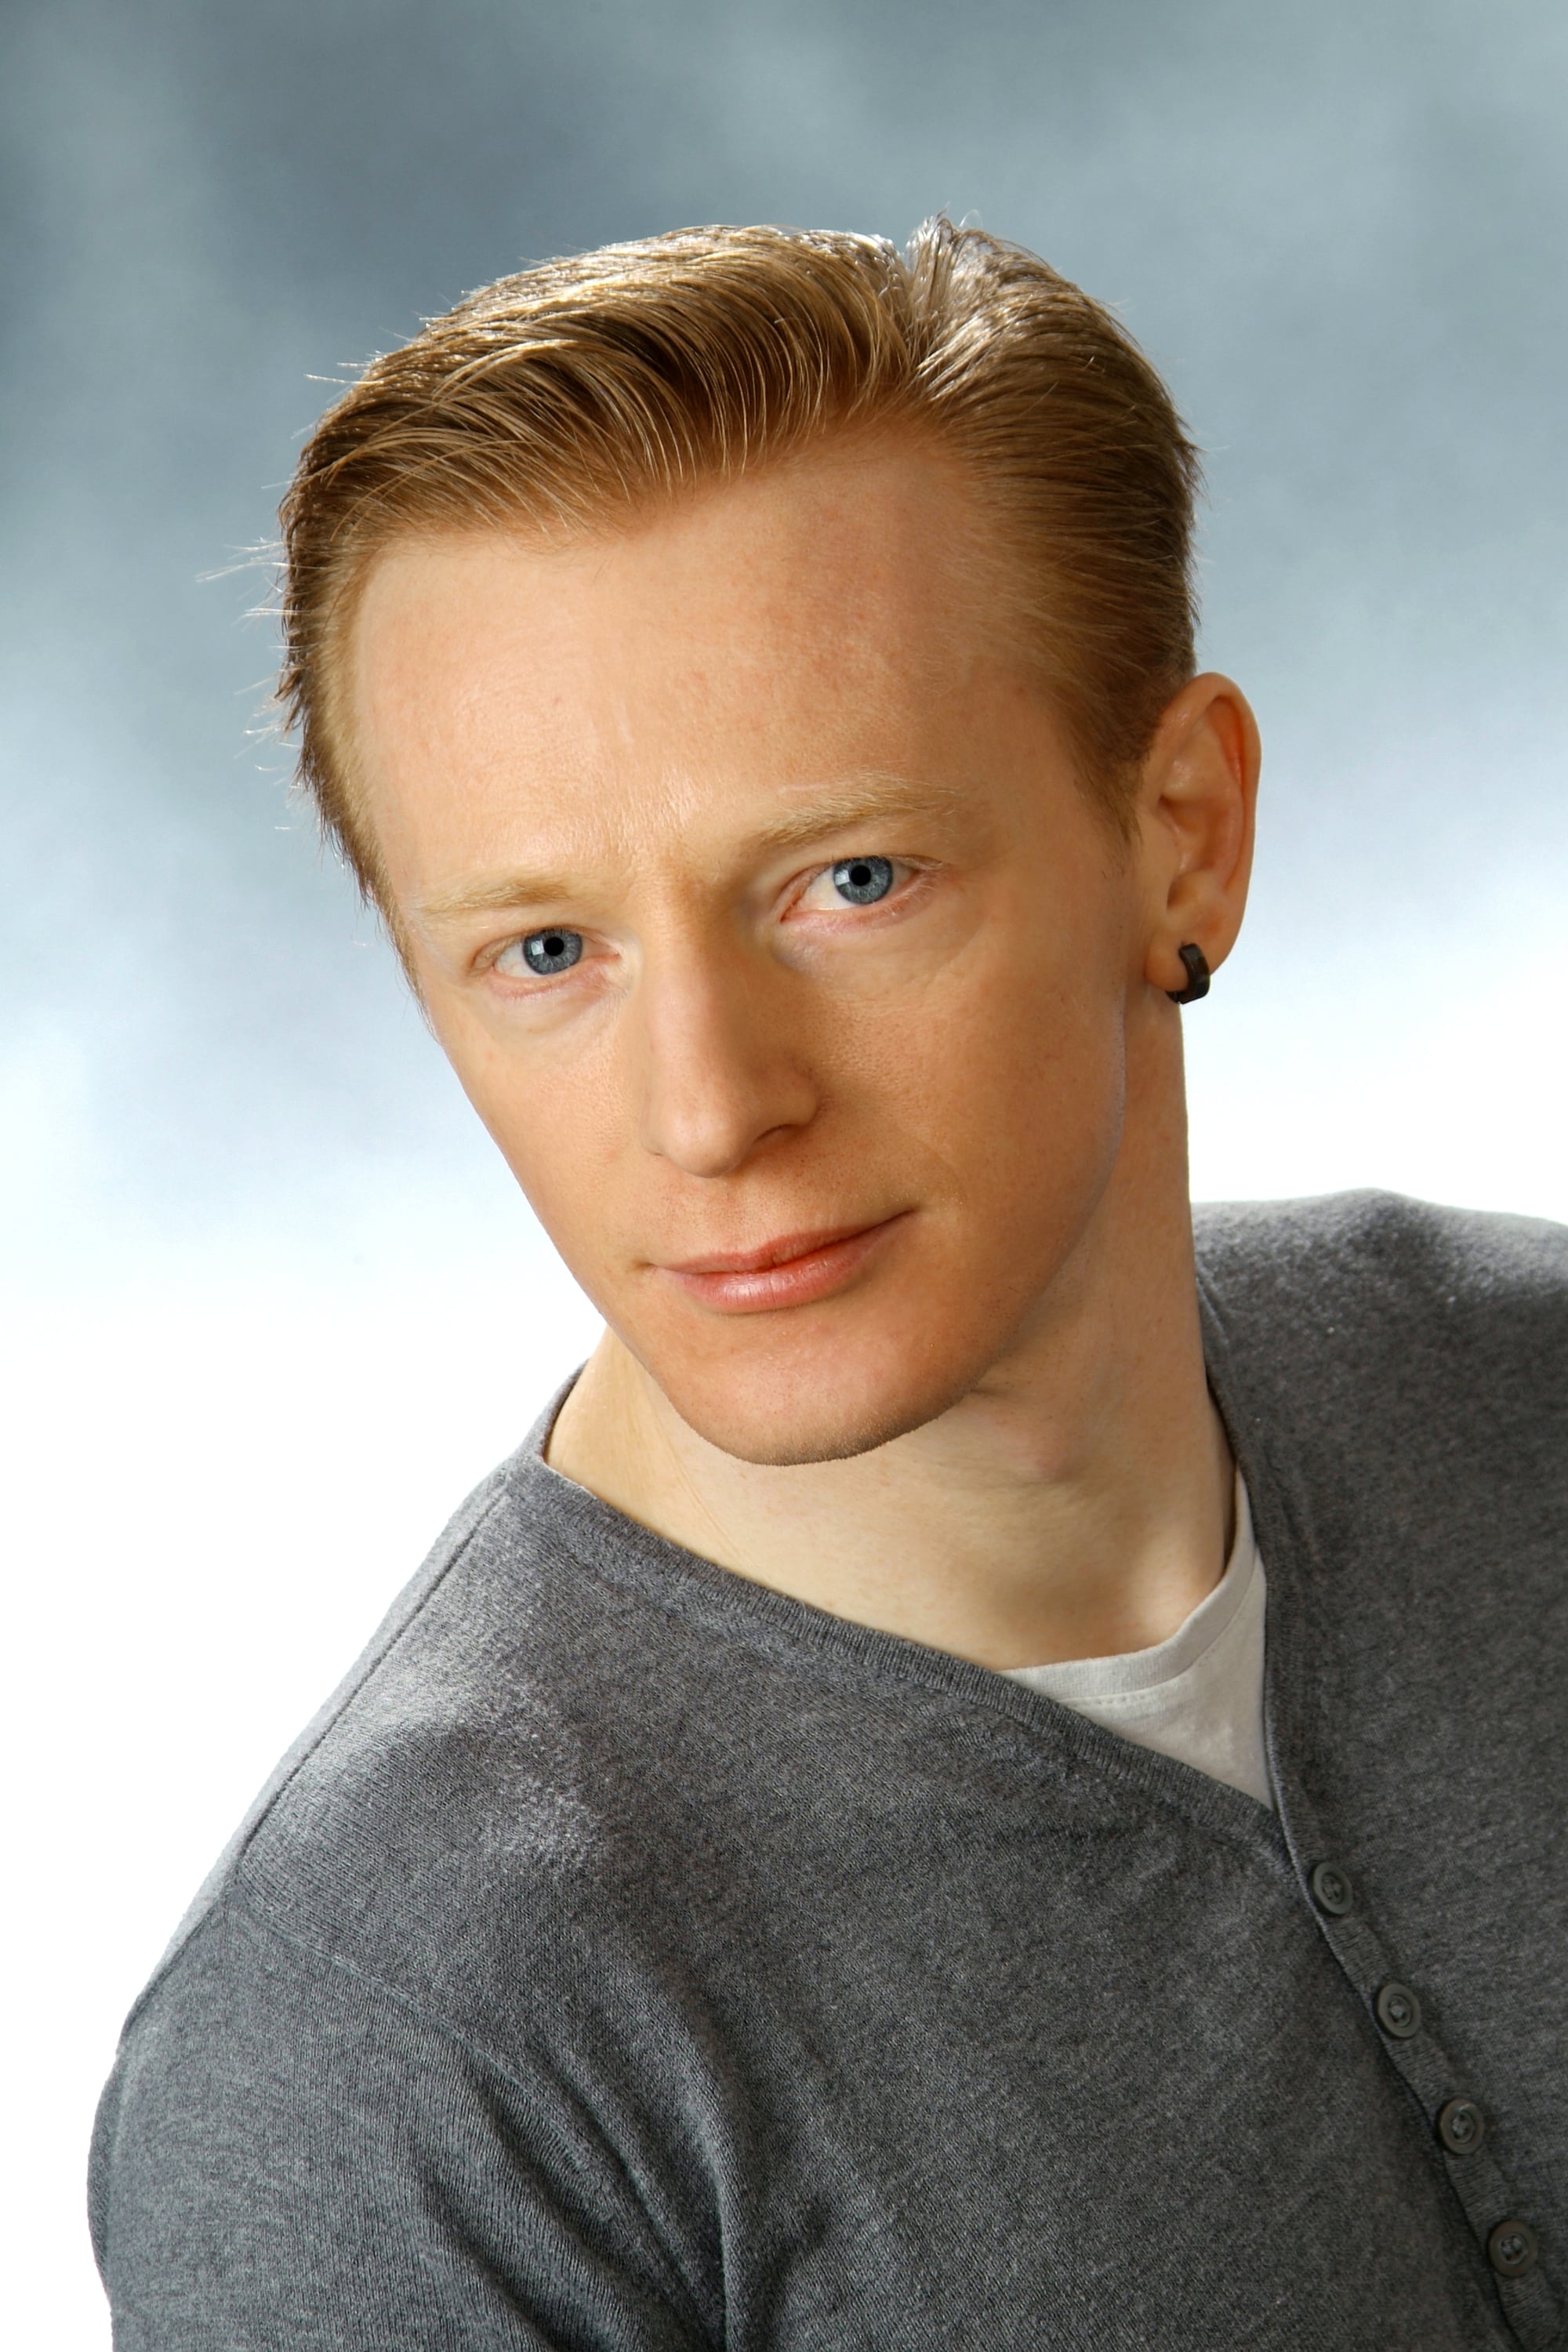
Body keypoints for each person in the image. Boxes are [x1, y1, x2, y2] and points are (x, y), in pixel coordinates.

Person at [89, 220, 1565, 2350]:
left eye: (850, 880)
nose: (709, 1113)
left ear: (1183, 834)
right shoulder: (396, 2063)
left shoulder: (1536, 1397)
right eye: (545, 951)